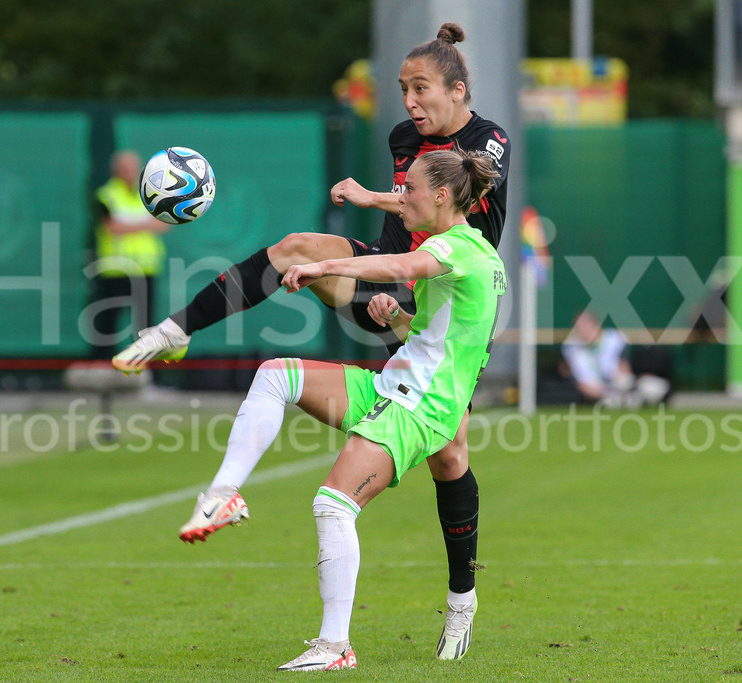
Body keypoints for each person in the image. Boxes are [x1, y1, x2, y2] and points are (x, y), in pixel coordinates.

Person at [113, 22, 511, 660]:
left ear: (458, 90)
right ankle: (175, 330)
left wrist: (366, 202)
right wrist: (349, 258)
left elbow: (442, 212)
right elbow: (412, 218)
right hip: (389, 285)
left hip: (444, 305)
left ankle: (460, 599)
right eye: (403, 88)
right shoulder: (406, 138)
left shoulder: (486, 145)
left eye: (421, 89)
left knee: (449, 457)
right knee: (291, 256)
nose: (409, 102)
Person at [176, 148, 504, 671]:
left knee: (333, 505)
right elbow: (442, 341)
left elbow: (400, 264)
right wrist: (398, 317)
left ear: (442, 196)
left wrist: (323, 265)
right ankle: (223, 495)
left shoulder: (460, 247)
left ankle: (335, 648)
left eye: (410, 189)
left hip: (420, 408)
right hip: (396, 385)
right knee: (275, 374)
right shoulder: (469, 250)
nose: (402, 198)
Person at [87, 150, 170, 359]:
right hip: (116, 270)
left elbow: (164, 224)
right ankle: (103, 366)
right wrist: (145, 224)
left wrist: (129, 226)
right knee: (108, 322)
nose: (130, 173)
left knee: (146, 325)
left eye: (133, 168)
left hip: (146, 268)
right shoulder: (105, 196)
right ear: (115, 171)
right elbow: (111, 227)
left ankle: (145, 370)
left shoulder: (150, 195)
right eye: (125, 169)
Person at [561, 311, 669, 408]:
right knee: (612, 403)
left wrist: (625, 375)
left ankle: (637, 399)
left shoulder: (614, 338)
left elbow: (625, 366)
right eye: (579, 326)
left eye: (585, 325)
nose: (583, 329)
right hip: (600, 391)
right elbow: (576, 378)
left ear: (596, 325)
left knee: (649, 388)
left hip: (622, 384)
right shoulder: (571, 346)